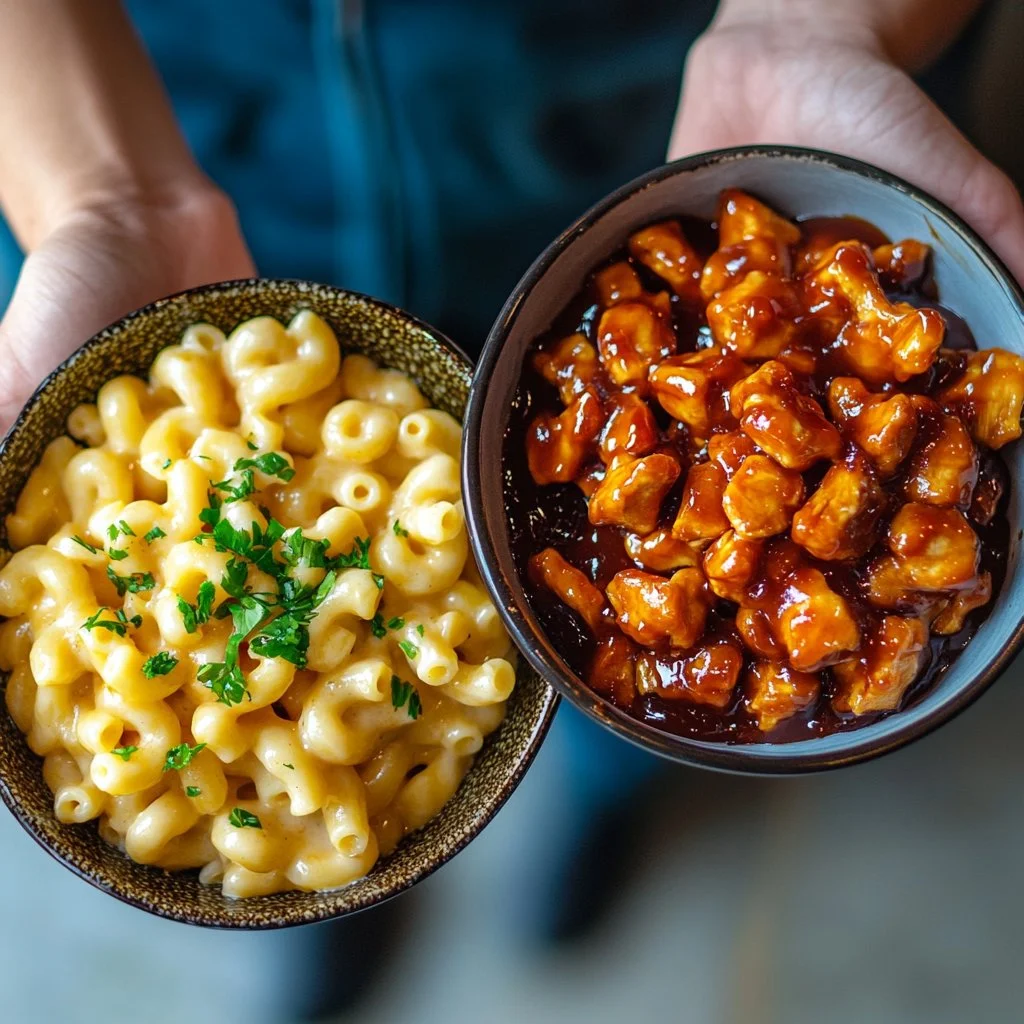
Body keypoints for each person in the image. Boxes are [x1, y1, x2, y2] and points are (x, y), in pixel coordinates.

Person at [0, 0, 1020, 1015]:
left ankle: (603, 803)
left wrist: (812, 25)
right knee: (447, 713)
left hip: (631, 115)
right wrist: (103, 191)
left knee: (613, 709)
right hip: (186, 110)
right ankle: (337, 897)